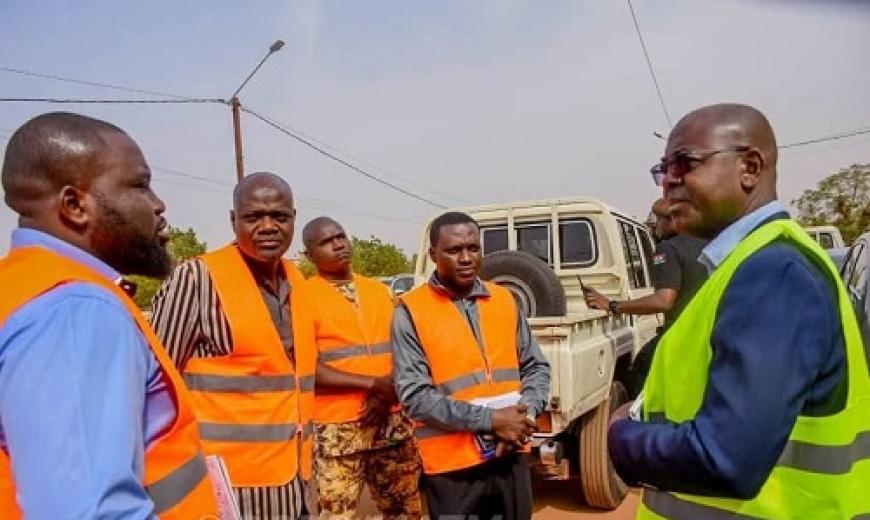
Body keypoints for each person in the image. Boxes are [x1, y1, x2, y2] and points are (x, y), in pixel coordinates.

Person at [608, 103, 870, 518]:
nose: (668, 183)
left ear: (750, 167)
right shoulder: (745, 266)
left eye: (684, 163)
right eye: (663, 169)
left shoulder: (774, 272)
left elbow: (725, 458)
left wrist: (621, 436)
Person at [0, 112, 218, 518]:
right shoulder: (74, 309)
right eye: (140, 185)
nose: (158, 204)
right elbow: (87, 511)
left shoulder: (20, 286)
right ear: (75, 205)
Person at [150, 172, 314, 519]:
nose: (268, 226)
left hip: (297, 479)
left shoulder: (296, 279)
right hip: (229, 488)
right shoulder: (197, 278)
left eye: (279, 217)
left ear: (293, 219)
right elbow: (156, 384)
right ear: (233, 220)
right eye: (254, 217)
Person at [392, 211, 550, 519]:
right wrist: (493, 421)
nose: (466, 258)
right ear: (433, 255)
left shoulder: (505, 300)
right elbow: (414, 398)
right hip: (453, 469)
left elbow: (536, 367)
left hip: (510, 455)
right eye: (454, 250)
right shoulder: (410, 311)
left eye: (473, 248)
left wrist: (525, 415)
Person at [298, 216, 422, 519]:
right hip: (338, 432)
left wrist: (384, 395)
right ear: (310, 255)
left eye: (341, 236)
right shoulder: (301, 298)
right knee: (337, 514)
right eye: (327, 242)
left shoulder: (379, 292)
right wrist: (373, 385)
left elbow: (405, 350)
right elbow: (306, 368)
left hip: (390, 423)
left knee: (405, 511)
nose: (338, 244)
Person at [584, 198, 708, 396]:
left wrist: (612, 305)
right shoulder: (709, 246)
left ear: (672, 221)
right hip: (706, 336)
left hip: (679, 337)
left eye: (659, 220)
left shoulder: (669, 248)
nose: (656, 226)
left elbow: (663, 300)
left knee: (640, 374)